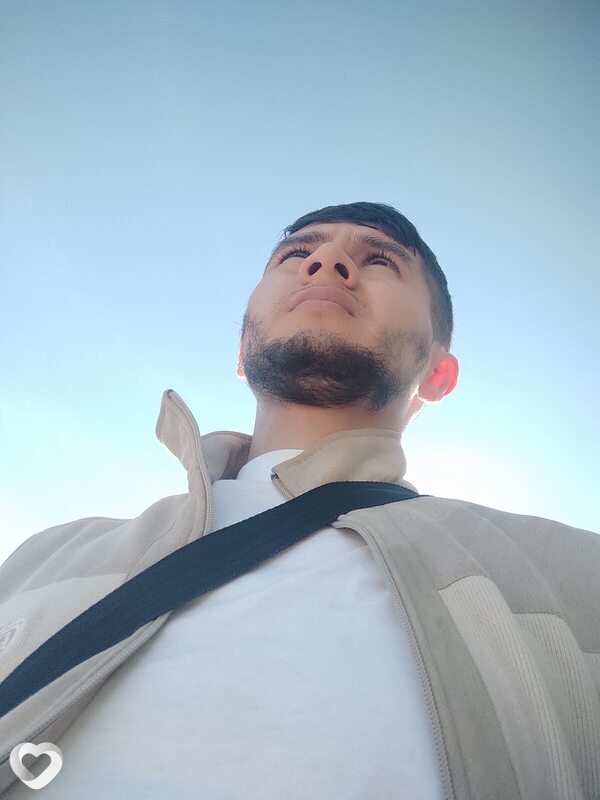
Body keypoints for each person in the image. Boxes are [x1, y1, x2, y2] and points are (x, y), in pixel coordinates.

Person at [0, 202, 598, 799]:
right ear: (241, 351)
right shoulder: (49, 553)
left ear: (438, 375)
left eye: (380, 260)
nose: (327, 260)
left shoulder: (570, 576)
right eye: (296, 253)